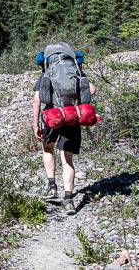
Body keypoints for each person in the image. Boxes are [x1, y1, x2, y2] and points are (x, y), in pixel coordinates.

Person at [32, 48, 95, 215]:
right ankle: (68, 200)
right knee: (67, 160)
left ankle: (52, 185)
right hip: (72, 116)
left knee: (48, 149)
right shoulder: (75, 71)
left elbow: (37, 100)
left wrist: (35, 124)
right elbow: (92, 90)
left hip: (52, 116)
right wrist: (80, 74)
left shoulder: (47, 72)